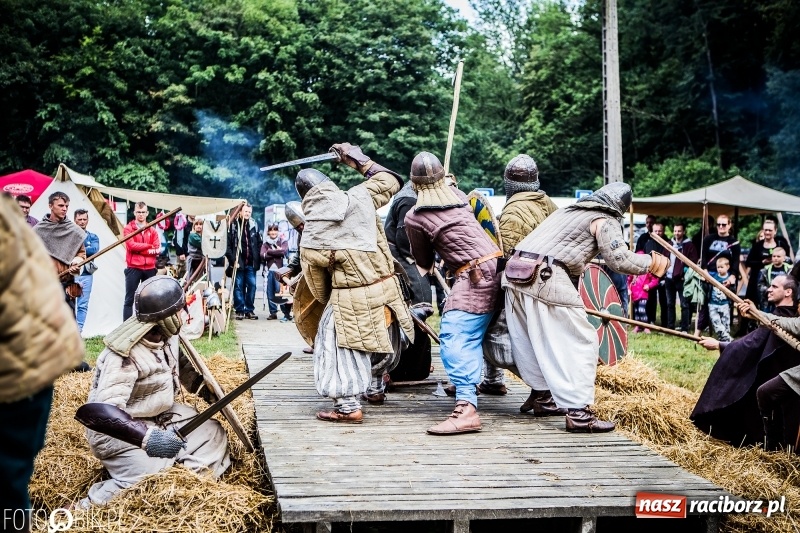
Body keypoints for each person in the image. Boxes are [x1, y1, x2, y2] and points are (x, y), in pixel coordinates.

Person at [502, 182, 668, 433]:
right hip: (545, 276)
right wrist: (651, 263)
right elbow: (619, 259)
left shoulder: (566, 212)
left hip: (514, 274)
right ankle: (579, 414)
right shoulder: (604, 219)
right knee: (581, 341)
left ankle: (543, 397)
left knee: (536, 340)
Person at [77, 276, 230, 507]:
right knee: (151, 481)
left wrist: (205, 390)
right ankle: (88, 504)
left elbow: (177, 364)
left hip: (159, 417)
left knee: (212, 432)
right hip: (121, 434)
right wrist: (150, 440)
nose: (182, 316)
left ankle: (187, 483)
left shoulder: (165, 336)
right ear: (165, 318)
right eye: (178, 311)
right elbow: (103, 414)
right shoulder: (123, 356)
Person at [297, 142, 414, 423]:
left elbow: (318, 287)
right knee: (380, 339)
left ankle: (348, 407)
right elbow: (391, 181)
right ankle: (375, 388)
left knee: (333, 342)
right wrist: (357, 160)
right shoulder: (361, 196)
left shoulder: (311, 236)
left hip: (350, 297)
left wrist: (333, 302)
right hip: (387, 288)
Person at [0, 193, 84, 531]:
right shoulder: (27, 228)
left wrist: (74, 263)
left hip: (24, 366)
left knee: (7, 480)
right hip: (34, 358)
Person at [403, 152, 503, 435]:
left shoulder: (415, 216)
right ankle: (540, 394)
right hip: (497, 266)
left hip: (475, 276)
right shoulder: (461, 198)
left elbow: (423, 263)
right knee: (488, 331)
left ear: (414, 184)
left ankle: (467, 408)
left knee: (455, 335)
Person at [692, 275, 800, 448]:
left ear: (788, 292)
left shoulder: (786, 319)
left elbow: (751, 344)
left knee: (762, 392)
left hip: (786, 381)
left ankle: (772, 447)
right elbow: (759, 339)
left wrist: (720, 344)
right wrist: (756, 314)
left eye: (774, 286)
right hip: (779, 378)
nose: (768, 289)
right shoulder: (783, 317)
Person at [487, 154, 559, 404]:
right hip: (548, 284)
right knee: (535, 340)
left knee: (498, 341)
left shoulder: (513, 212)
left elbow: (505, 255)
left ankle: (543, 391)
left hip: (522, 286)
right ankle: (495, 381)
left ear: (509, 183)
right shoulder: (548, 203)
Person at [383, 177, 435, 383]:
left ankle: (417, 367)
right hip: (402, 260)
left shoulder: (412, 194)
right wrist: (424, 259)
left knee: (416, 314)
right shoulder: (409, 199)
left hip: (406, 259)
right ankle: (402, 368)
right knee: (416, 310)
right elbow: (405, 240)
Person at [33, 191, 86, 313]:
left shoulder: (74, 231)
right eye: (61, 206)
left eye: (66, 206)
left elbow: (81, 254)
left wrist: (75, 263)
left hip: (66, 285)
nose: (65, 209)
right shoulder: (38, 230)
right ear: (50, 206)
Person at [697, 214, 740, 333]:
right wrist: (704, 271)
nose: (721, 227)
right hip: (709, 275)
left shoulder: (734, 242)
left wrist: (733, 276)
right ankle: (699, 331)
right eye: (718, 224)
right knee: (705, 304)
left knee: (726, 304)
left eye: (724, 224)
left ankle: (725, 330)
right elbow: (703, 257)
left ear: (729, 225)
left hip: (725, 277)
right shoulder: (708, 239)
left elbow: (736, 261)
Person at [123, 202, 160, 320]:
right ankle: (125, 328)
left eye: (143, 212)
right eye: (138, 212)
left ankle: (148, 327)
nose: (141, 214)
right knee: (129, 299)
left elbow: (157, 249)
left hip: (149, 268)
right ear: (134, 212)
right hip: (133, 267)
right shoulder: (128, 229)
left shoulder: (152, 230)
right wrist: (148, 246)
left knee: (149, 298)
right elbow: (131, 246)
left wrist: (140, 250)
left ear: (147, 213)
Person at [745, 219, 789, 318]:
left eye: (770, 230)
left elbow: (788, 260)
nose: (767, 232)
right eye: (765, 230)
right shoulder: (757, 246)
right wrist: (762, 262)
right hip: (759, 279)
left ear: (775, 231)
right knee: (756, 303)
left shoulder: (781, 244)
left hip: (778, 278)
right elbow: (748, 262)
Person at [226, 203, 262, 320]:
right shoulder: (233, 226)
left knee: (252, 285)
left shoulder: (253, 225)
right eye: (245, 211)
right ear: (240, 212)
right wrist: (232, 261)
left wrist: (258, 257)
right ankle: (240, 310)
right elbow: (228, 247)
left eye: (249, 212)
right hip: (238, 262)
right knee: (238, 286)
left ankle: (249, 310)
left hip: (251, 263)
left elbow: (259, 243)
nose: (247, 214)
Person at [664, 223, 699, 332]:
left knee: (684, 304)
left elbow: (693, 261)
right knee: (670, 304)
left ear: (683, 232)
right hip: (669, 278)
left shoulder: (689, 245)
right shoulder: (669, 244)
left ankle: (685, 328)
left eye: (679, 231)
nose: (677, 233)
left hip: (682, 279)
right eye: (675, 231)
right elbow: (664, 258)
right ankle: (670, 328)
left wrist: (685, 274)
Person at [74, 209, 100, 333]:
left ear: (88, 220)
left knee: (82, 305)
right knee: (69, 303)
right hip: (71, 274)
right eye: (80, 219)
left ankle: (78, 331)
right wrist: (86, 248)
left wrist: (79, 249)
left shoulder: (93, 236)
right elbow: (68, 250)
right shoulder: (70, 235)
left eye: (84, 219)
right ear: (75, 220)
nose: (82, 222)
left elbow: (94, 250)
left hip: (87, 274)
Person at [261, 223, 292, 321]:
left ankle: (285, 313)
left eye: (275, 230)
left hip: (281, 272)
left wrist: (269, 251)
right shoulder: (265, 243)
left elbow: (283, 252)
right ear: (268, 232)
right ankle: (273, 313)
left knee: (281, 292)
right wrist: (276, 252)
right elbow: (262, 255)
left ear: (278, 232)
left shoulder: (282, 241)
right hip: (269, 271)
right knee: (270, 293)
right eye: (271, 230)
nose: (273, 232)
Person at [644, 222, 668, 326]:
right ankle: (651, 320)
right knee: (651, 300)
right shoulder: (648, 244)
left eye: (660, 231)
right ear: (652, 232)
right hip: (651, 277)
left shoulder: (668, 244)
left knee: (664, 301)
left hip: (664, 277)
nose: (657, 233)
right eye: (655, 231)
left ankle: (665, 323)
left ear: (663, 231)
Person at [629, 257, 658, 333]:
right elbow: (629, 279)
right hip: (634, 294)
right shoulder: (634, 271)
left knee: (642, 310)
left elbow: (655, 280)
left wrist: (649, 286)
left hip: (643, 293)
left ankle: (645, 326)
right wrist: (629, 288)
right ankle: (638, 326)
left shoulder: (647, 271)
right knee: (636, 311)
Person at [757, 247, 791, 313]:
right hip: (768, 301)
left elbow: (793, 284)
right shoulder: (765, 270)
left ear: (784, 258)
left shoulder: (789, 270)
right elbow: (760, 285)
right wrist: (770, 291)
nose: (775, 258)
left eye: (778, 256)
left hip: (784, 300)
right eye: (774, 256)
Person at [708, 257, 733, 342]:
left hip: (725, 304)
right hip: (713, 304)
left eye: (721, 267)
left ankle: (725, 339)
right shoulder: (713, 277)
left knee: (725, 322)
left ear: (727, 267)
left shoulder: (730, 278)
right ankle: (726, 338)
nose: (719, 269)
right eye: (718, 267)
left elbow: (733, 291)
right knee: (716, 321)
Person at [172, 213, 194, 279]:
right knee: (182, 275)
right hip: (184, 253)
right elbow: (177, 238)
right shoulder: (182, 221)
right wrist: (181, 252)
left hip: (195, 254)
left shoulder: (198, 223)